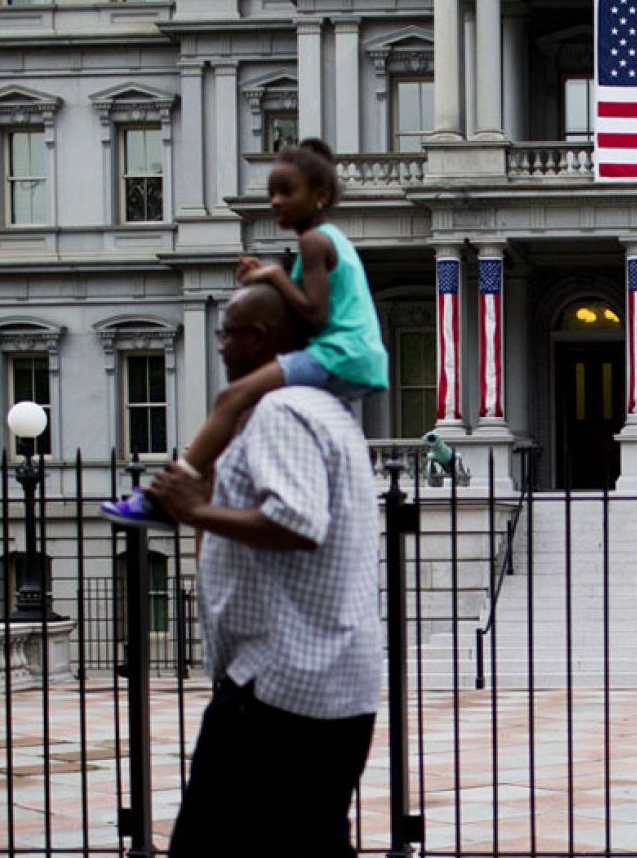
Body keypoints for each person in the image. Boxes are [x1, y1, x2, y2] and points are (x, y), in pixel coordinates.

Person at [149, 282, 382, 858]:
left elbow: (298, 522)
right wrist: (207, 514)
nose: (221, 346)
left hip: (280, 683)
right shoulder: (331, 413)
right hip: (333, 682)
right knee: (309, 838)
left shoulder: (281, 413)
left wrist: (195, 508)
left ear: (257, 340)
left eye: (225, 334)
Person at [101, 138, 388, 530]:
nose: (275, 202)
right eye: (271, 192)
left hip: (342, 353)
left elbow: (315, 315)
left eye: (287, 191)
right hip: (353, 355)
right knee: (250, 408)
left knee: (232, 396)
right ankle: (217, 483)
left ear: (320, 195)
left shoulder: (313, 241)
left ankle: (165, 495)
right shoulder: (329, 239)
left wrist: (273, 275)